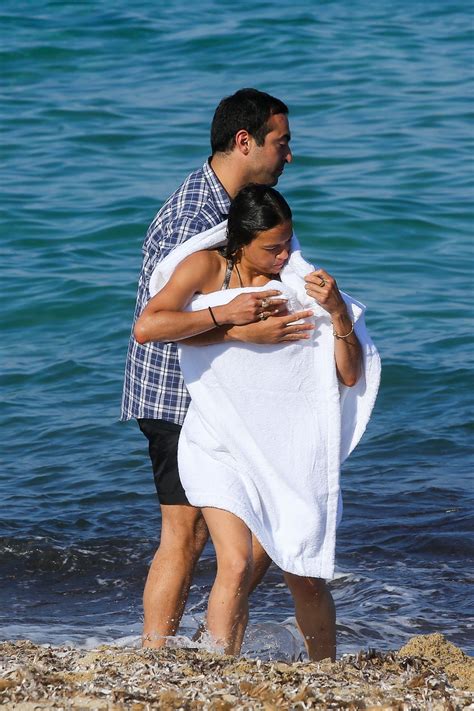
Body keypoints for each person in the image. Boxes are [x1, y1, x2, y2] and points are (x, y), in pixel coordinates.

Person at [134, 184, 378, 661]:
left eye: (288, 241)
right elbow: (150, 327)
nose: (284, 253)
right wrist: (230, 317)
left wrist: (337, 311)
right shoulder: (206, 268)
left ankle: (325, 671)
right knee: (236, 561)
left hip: (284, 449)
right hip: (217, 440)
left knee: (304, 572)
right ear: (239, 242)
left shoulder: (301, 286)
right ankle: (219, 671)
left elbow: (349, 374)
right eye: (271, 247)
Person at [121, 89, 315, 648]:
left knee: (245, 540)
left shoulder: (241, 204)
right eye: (281, 142)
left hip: (221, 390)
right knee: (185, 533)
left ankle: (211, 637)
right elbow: (156, 320)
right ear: (244, 141)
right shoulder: (193, 217)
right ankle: (158, 654)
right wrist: (241, 327)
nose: (288, 156)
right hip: (174, 391)